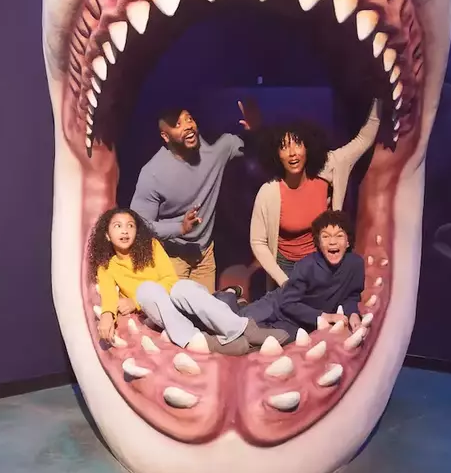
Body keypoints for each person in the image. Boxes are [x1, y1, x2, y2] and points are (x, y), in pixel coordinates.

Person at [87, 207, 290, 356]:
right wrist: (107, 314)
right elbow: (108, 291)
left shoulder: (151, 246)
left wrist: (134, 303)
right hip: (159, 312)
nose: (124, 231)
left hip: (177, 302)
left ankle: (243, 329)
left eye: (130, 226)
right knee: (147, 289)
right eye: (118, 226)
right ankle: (202, 342)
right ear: (107, 234)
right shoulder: (107, 265)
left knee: (181, 286)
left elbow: (169, 280)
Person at [250, 99, 381, 289]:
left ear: (308, 147)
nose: (293, 153)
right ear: (276, 154)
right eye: (284, 147)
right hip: (285, 268)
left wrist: (380, 98)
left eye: (297, 144)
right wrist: (283, 281)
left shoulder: (330, 167)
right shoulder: (269, 192)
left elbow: (364, 139)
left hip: (321, 261)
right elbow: (258, 242)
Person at [130, 102, 259, 294]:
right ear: (165, 136)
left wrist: (255, 131)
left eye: (189, 119)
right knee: (176, 318)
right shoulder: (153, 173)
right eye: (177, 124)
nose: (188, 126)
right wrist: (179, 228)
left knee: (205, 317)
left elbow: (254, 147)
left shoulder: (217, 150)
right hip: (172, 258)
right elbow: (139, 224)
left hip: (205, 255)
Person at [240, 210, 366, 340]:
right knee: (237, 325)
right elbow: (287, 303)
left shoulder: (356, 264)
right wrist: (325, 316)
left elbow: (351, 296)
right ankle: (232, 298)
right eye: (326, 236)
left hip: (296, 324)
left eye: (339, 236)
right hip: (275, 307)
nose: (332, 242)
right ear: (318, 243)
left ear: (348, 242)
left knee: (266, 341)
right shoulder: (306, 266)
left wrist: (353, 314)